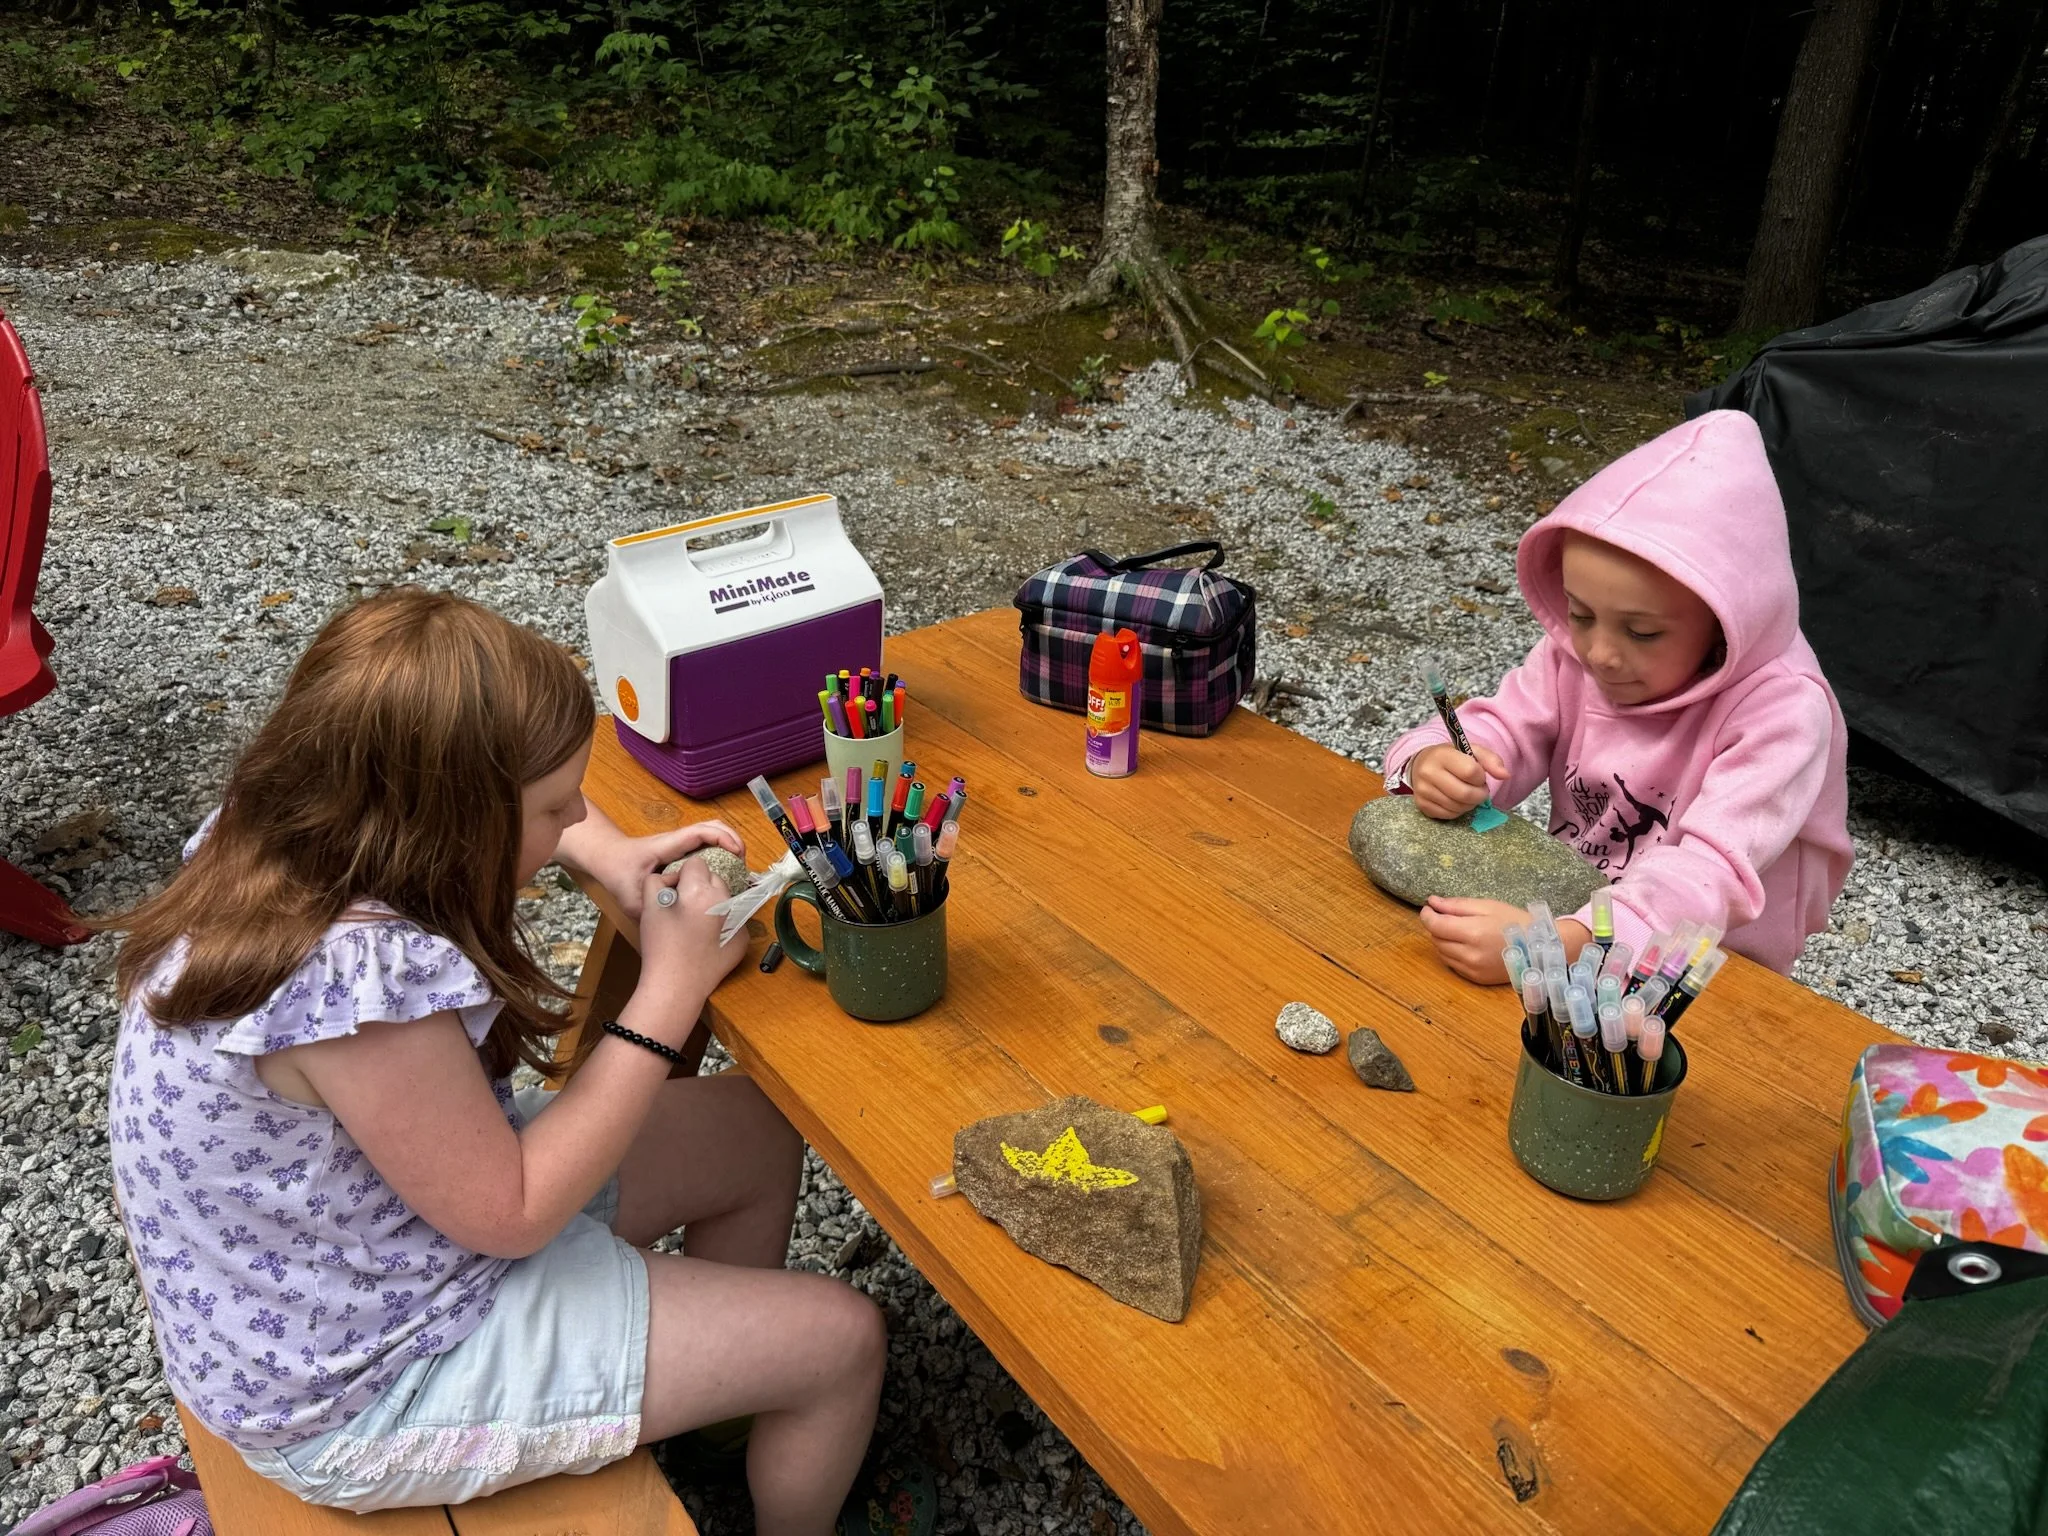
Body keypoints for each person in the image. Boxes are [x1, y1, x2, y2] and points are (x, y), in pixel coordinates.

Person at [104, 587, 886, 1532]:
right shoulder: (355, 984)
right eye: (557, 808)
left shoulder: (288, 823)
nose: (579, 816)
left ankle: (724, 1429)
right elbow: (509, 1215)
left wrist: (609, 855)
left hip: (358, 1255)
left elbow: (510, 794)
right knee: (843, 1341)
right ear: (451, 818)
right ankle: (790, 1442)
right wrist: (669, 992)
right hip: (365, 1383)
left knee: (757, 1131)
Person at [1382, 410, 1853, 983]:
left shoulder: (1783, 712)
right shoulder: (1579, 656)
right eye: (1580, 614)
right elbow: (1505, 729)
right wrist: (1438, 762)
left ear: (1730, 622)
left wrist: (1562, 945)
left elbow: (1710, 872)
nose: (1599, 653)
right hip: (1586, 909)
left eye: (1642, 632)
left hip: (1713, 963)